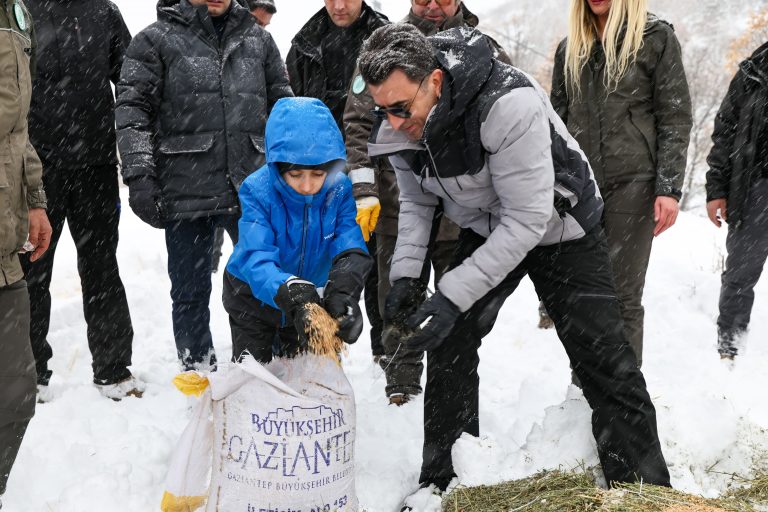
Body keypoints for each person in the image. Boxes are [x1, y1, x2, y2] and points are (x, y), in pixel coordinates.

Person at [358, 24, 670, 502]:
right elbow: (419, 203)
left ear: (435, 82)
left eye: (401, 108)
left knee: (602, 354)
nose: (394, 123)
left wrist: (451, 294)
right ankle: (444, 481)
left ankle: (644, 490)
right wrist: (405, 276)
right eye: (383, 110)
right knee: (450, 338)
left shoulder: (507, 104)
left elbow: (527, 220)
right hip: (488, 225)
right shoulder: (400, 123)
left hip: (560, 225)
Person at [343, 0, 511, 405]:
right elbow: (358, 124)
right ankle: (400, 381)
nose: (432, 5)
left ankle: (448, 380)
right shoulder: (381, 48)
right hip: (398, 202)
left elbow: (503, 128)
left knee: (458, 303)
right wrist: (365, 189)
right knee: (396, 297)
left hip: (463, 212)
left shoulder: (484, 49)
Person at [116, 0, 292, 371]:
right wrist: (140, 175)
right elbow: (133, 112)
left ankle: (262, 365)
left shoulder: (258, 40)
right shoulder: (154, 40)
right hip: (186, 186)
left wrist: (293, 170)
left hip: (251, 186)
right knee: (190, 290)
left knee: (263, 281)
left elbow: (283, 109)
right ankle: (197, 370)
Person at [549, 0, 692, 366]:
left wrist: (668, 188)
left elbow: (674, 115)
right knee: (583, 293)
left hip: (634, 184)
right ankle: (584, 387)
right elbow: (555, 123)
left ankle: (623, 395)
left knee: (622, 295)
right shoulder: (570, 48)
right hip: (581, 186)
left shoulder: (655, 38)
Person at [23, 0, 143, 401]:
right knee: (30, 269)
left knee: (101, 267)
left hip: (95, 165)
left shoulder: (103, 11)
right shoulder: (19, 10)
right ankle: (27, 372)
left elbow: (132, 82)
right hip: (34, 170)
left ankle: (113, 369)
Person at [223, 97, 372, 362]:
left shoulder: (340, 189)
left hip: (310, 301)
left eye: (317, 175)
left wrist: (344, 290)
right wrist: (289, 289)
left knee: (306, 372)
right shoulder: (257, 190)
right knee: (255, 372)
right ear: (278, 167)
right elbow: (256, 254)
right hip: (253, 297)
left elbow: (349, 244)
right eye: (295, 175)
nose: (307, 186)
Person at [0, 0, 52, 502]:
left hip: (3, 255)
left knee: (16, 397)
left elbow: (17, 132)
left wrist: (35, 200)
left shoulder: (16, 14)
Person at [706, 41, 768, 361]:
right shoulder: (753, 70)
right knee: (740, 274)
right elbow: (725, 131)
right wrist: (716, 188)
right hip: (755, 190)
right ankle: (730, 350)